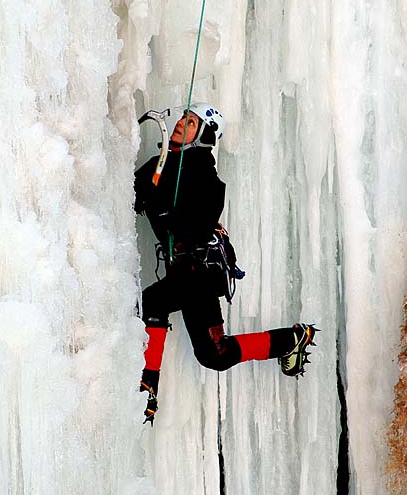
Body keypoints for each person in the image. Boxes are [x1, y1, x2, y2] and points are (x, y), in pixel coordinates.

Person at [135, 103, 317, 424]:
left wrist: (170, 211)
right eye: (182, 118)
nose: (180, 124)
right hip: (189, 275)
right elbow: (132, 195)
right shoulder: (159, 165)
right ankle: (292, 339)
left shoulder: (204, 172)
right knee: (214, 355)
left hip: (201, 272)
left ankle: (148, 383)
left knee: (154, 301)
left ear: (204, 134)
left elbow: (200, 218)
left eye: (191, 123)